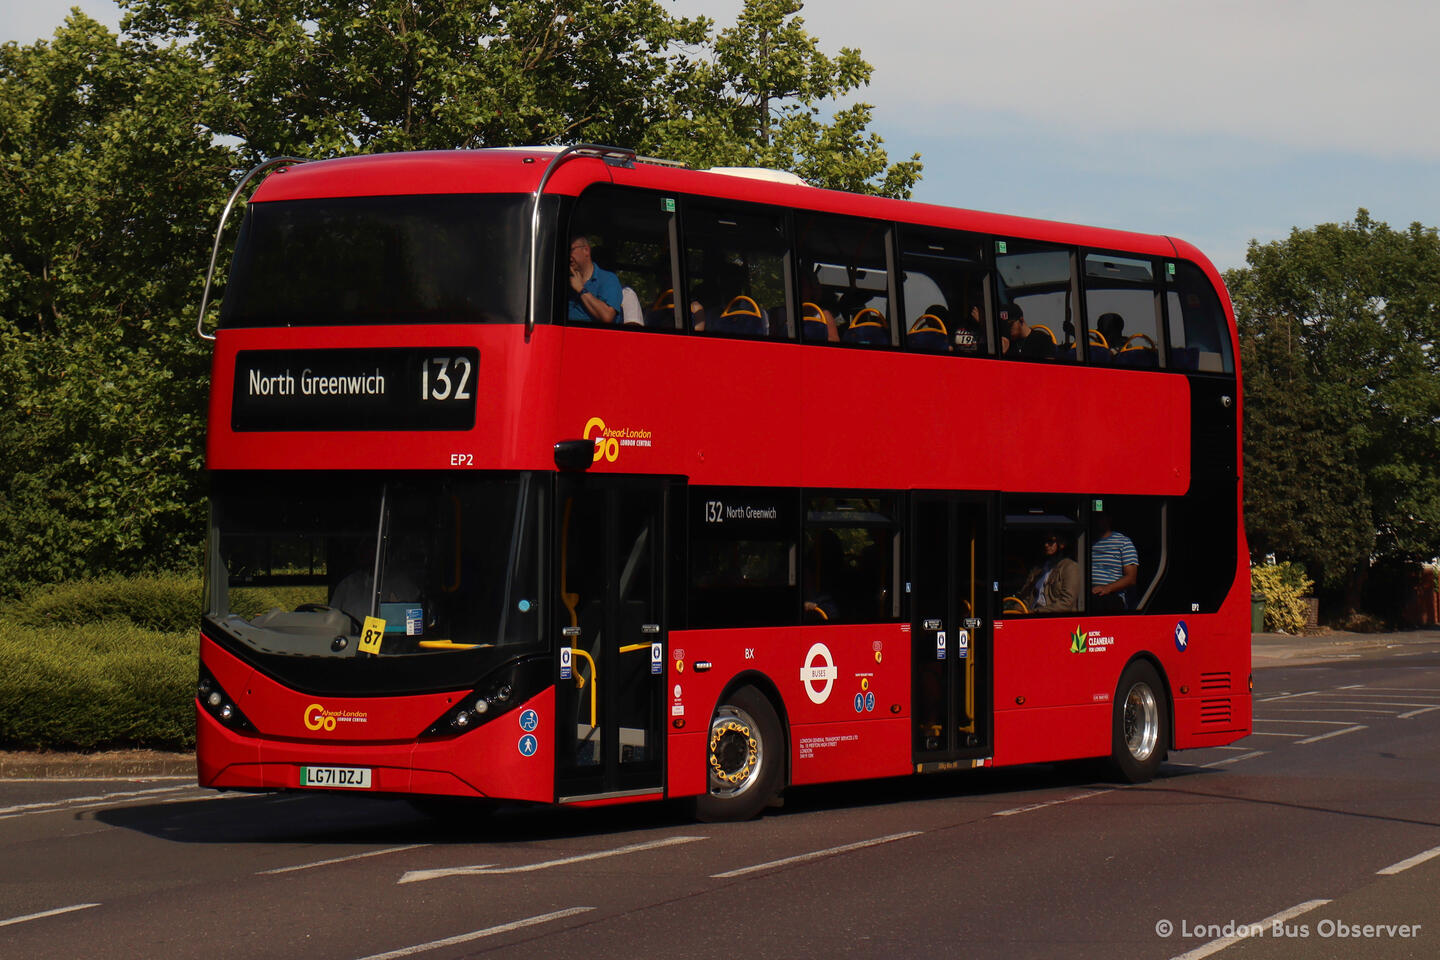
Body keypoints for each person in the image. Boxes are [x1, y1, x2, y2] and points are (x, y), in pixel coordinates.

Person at [1016, 531, 1080, 613]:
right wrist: (1017, 609)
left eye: (1050, 542)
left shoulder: (1070, 567)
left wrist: (1036, 612)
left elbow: (1067, 603)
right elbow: (1026, 596)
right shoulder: (1038, 568)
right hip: (1031, 614)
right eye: (1045, 541)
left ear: (1062, 544)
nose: (1046, 545)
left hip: (1054, 619)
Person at [1091, 512, 1139, 611]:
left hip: (1110, 598)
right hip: (1087, 595)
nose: (1097, 520)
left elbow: (1131, 578)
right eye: (1095, 517)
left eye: (1101, 517)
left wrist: (1107, 588)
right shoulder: (1086, 541)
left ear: (1109, 519)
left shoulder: (1123, 542)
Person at [567, 235, 621, 323]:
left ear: (586, 250)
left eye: (571, 250)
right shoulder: (566, 281)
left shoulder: (608, 279)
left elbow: (607, 317)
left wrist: (581, 290)